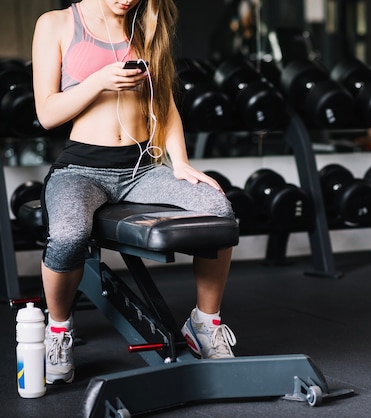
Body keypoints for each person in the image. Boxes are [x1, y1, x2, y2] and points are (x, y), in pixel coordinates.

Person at [31, 0, 237, 385]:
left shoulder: (145, 29)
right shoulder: (57, 24)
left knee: (217, 208)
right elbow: (47, 113)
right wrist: (99, 81)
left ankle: (204, 324)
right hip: (82, 169)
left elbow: (166, 105)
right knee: (68, 234)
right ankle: (58, 330)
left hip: (143, 167)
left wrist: (181, 163)